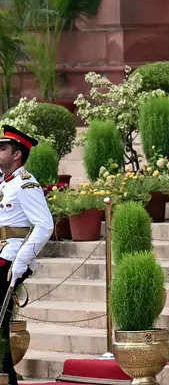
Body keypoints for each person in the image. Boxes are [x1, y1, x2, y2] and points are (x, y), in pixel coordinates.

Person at [0, 125, 53, 384]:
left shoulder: (25, 185)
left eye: (2, 148)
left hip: (8, 262)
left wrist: (21, 261)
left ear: (17, 154)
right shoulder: (4, 183)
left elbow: (45, 226)